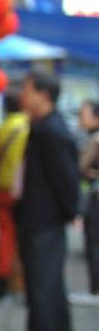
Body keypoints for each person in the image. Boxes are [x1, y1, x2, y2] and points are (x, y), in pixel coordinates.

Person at [15, 70, 80, 331]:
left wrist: (69, 213)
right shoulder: (42, 127)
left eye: (27, 89)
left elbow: (68, 181)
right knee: (49, 289)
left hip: (44, 222)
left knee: (43, 290)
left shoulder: (51, 132)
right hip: (39, 219)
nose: (23, 95)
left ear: (43, 95)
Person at [0, 87, 29, 298]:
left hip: (2, 188)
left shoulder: (1, 129)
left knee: (4, 234)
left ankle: (1, 278)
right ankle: (15, 279)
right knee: (18, 235)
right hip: (19, 190)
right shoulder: (27, 128)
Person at [70, 100, 99, 304]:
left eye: (83, 114)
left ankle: (95, 289)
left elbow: (80, 166)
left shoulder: (95, 140)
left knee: (94, 242)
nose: (79, 118)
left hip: (95, 199)